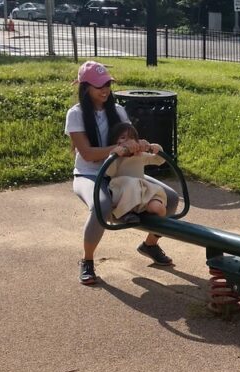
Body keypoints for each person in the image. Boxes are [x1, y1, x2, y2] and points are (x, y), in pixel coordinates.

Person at [65, 60, 178, 285]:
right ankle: (87, 260)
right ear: (85, 87)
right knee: (102, 205)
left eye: (107, 83)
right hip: (90, 174)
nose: (105, 89)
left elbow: (130, 140)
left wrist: (141, 145)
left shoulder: (117, 110)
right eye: (99, 85)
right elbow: (87, 153)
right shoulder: (76, 114)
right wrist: (116, 150)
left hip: (122, 172)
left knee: (172, 199)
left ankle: (150, 244)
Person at [105, 123, 168, 224]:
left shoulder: (140, 155)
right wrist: (113, 155)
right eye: (122, 138)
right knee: (130, 183)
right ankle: (125, 212)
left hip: (141, 194)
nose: (127, 142)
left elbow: (159, 160)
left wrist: (154, 148)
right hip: (122, 192)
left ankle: (153, 237)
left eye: (131, 138)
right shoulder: (117, 158)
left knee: (158, 208)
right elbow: (109, 171)